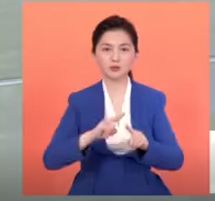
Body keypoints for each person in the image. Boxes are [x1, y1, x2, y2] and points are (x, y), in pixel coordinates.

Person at [42, 15, 184, 195]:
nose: (115, 57)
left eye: (124, 49)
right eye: (106, 49)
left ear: (135, 55)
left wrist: (146, 145)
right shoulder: (80, 101)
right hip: (92, 190)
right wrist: (91, 136)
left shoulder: (151, 99)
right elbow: (51, 159)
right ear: (94, 54)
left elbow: (175, 159)